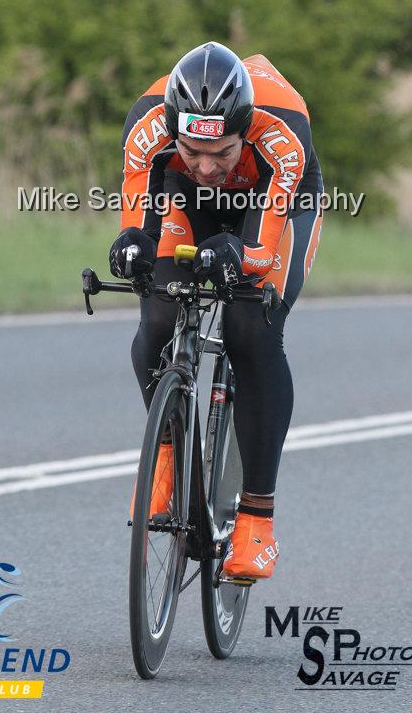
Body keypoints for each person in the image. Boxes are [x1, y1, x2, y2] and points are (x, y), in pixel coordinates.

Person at [109, 41, 323, 581]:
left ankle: (257, 519)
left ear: (244, 130)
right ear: (174, 127)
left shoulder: (281, 130)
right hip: (183, 203)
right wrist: (132, 247)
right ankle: (165, 456)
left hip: (273, 199)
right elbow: (139, 214)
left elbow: (261, 250)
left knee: (251, 329)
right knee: (158, 314)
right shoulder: (149, 124)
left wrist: (241, 257)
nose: (206, 166)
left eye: (220, 152)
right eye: (192, 150)